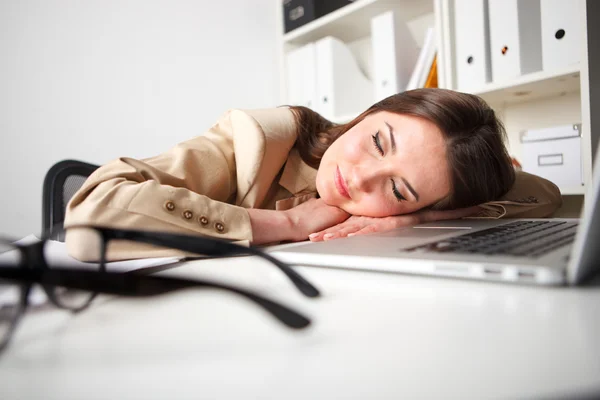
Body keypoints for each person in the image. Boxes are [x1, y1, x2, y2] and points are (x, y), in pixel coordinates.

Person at [64, 89, 562, 261]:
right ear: (369, 112)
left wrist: (420, 219)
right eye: (378, 141)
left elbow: (546, 194)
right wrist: (286, 225)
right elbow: (90, 220)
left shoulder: (420, 205)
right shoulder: (260, 139)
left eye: (397, 188)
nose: (360, 178)